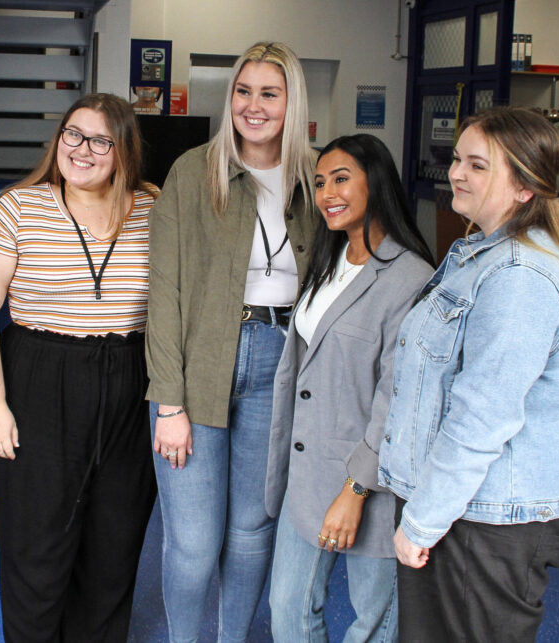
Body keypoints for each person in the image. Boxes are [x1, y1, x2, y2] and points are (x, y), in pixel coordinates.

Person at [378, 106, 559, 642]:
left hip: (482, 523)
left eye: (478, 166)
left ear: (525, 187)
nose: (457, 172)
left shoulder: (518, 276)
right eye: (457, 159)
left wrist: (423, 520)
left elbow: (481, 417)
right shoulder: (484, 253)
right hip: (471, 512)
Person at [0, 93, 159, 642]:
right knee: (37, 548)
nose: (83, 149)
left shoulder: (153, 207)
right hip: (40, 379)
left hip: (129, 381)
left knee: (114, 547)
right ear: (58, 139)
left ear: (123, 150)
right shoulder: (19, 208)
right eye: (73, 134)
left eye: (100, 140)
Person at [144, 42, 317, 641]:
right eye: (243, 92)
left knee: (250, 533)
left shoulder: (318, 179)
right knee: (192, 543)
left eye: (269, 93)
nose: (253, 105)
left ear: (292, 100)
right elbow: (162, 293)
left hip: (281, 361)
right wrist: (169, 403)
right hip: (198, 366)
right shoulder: (194, 171)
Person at [265, 134, 435, 642]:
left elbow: (399, 398)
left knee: (374, 623)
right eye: (319, 183)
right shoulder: (326, 260)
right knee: (288, 609)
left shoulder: (410, 279)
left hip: (370, 485)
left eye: (341, 179)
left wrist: (355, 489)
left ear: (375, 183)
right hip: (307, 474)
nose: (327, 193)